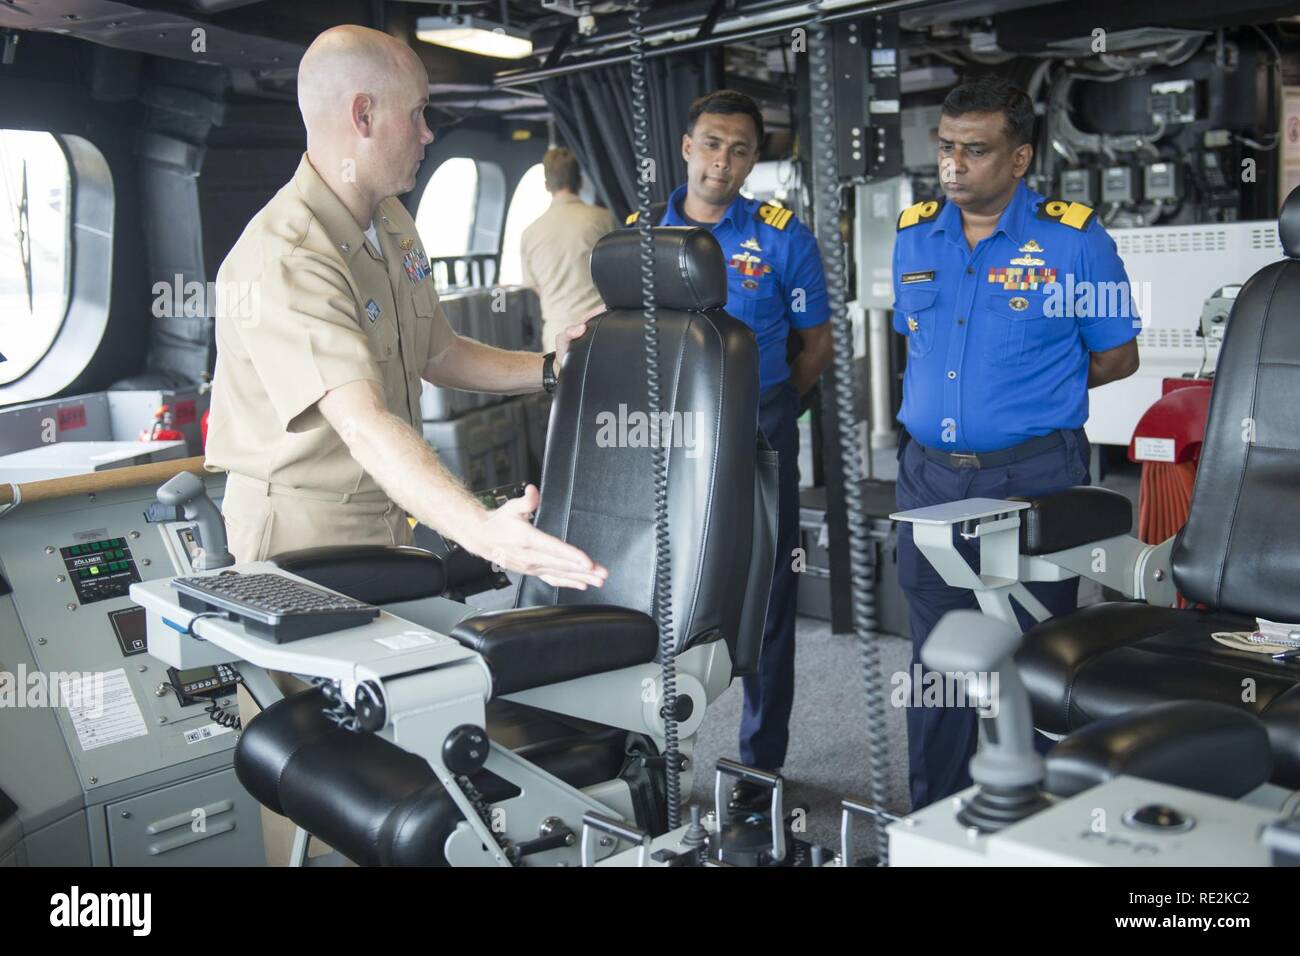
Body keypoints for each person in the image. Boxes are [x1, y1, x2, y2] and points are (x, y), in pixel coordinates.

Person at [204, 24, 607, 864]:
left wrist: (551, 370)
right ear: (363, 114)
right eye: (419, 115)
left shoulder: (389, 221)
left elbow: (439, 352)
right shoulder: (284, 256)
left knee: (403, 742)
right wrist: (480, 528)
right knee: (333, 785)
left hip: (382, 523)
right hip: (300, 543)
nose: (429, 133)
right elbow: (362, 419)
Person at [891, 75, 1140, 810]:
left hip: (1034, 478)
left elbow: (1117, 354)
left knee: (1033, 657)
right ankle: (933, 820)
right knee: (937, 665)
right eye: (945, 148)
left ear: (1021, 158)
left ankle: (1032, 827)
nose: (953, 166)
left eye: (975, 150)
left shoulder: (1073, 240)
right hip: (928, 480)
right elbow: (921, 342)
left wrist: (1035, 391)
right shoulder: (914, 235)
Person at [628, 89, 832, 808]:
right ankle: (644, 754)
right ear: (686, 147)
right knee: (654, 597)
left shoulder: (784, 237)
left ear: (754, 159)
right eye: (711, 143)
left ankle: (758, 766)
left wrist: (770, 406)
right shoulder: (639, 238)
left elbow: (816, 347)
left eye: (740, 148)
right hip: (665, 436)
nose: (723, 160)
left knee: (767, 600)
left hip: (761, 429)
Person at [519, 147, 618, 352]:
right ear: (580, 181)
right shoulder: (604, 219)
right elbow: (619, 273)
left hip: (557, 336)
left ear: (547, 185)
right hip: (600, 327)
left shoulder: (529, 233)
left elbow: (536, 286)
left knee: (562, 384)